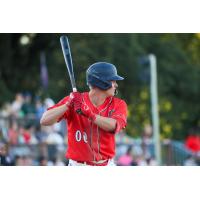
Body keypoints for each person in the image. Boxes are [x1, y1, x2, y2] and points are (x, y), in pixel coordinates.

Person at [40, 62, 128, 166]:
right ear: (103, 83)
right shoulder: (75, 101)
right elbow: (44, 120)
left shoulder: (118, 104)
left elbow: (114, 126)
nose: (116, 85)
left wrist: (90, 114)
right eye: (113, 81)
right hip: (78, 165)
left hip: (107, 165)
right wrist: (68, 104)